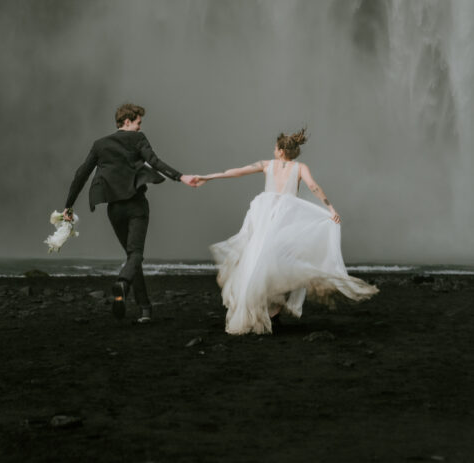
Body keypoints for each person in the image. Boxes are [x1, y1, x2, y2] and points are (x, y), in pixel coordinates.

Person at [192, 128, 377, 335]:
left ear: (281, 150)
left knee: (259, 265)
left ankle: (269, 313)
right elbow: (314, 187)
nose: (273, 150)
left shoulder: (266, 165)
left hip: (265, 217)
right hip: (285, 218)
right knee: (282, 264)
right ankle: (272, 314)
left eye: (275, 147)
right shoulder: (299, 167)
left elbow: (235, 172)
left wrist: (207, 177)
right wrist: (331, 209)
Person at [60, 103, 197, 323]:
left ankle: (144, 310)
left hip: (114, 210)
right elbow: (155, 162)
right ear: (127, 121)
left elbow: (81, 174)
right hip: (136, 206)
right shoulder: (138, 139)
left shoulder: (100, 145)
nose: (140, 126)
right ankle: (123, 284)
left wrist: (68, 206)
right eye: (138, 123)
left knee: (132, 258)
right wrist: (181, 177)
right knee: (136, 254)